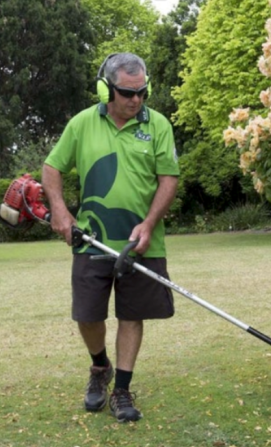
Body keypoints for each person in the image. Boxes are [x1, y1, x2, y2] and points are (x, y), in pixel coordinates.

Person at [42, 53, 180, 422]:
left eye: (142, 92)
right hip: (91, 239)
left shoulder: (159, 126)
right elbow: (52, 167)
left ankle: (121, 389)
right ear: (107, 90)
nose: (136, 100)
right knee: (87, 315)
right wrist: (60, 210)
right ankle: (100, 367)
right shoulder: (83, 124)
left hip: (141, 243)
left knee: (132, 315)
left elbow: (169, 178)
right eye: (126, 93)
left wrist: (149, 224)